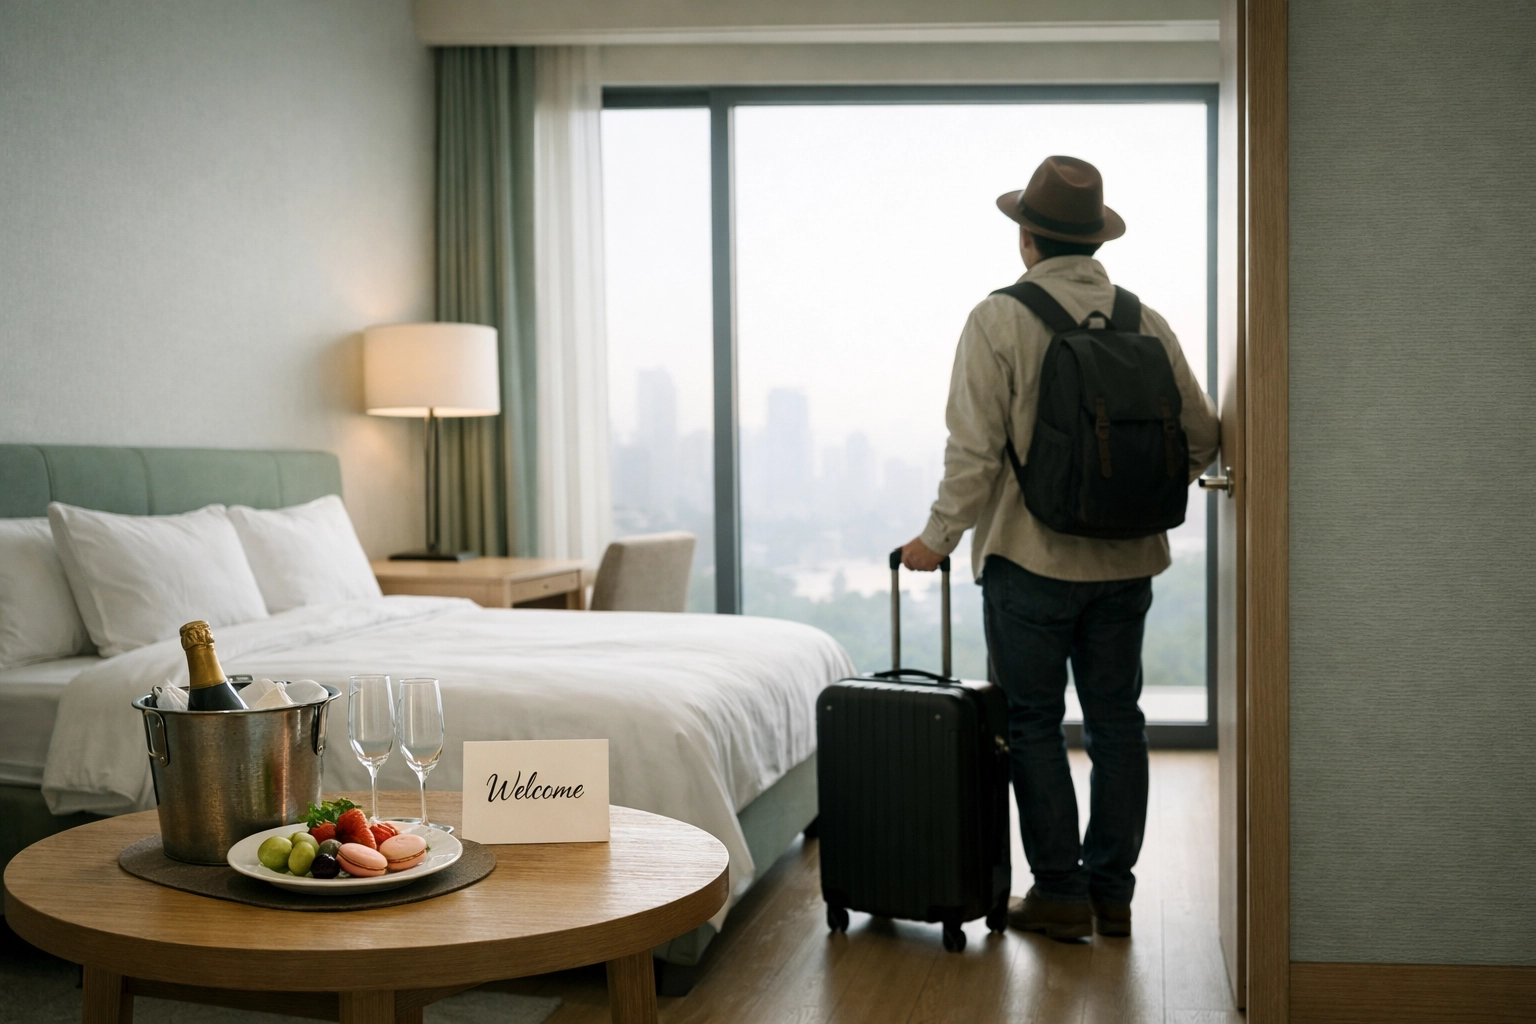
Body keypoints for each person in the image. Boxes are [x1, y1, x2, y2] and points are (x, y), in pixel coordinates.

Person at [900, 155, 1219, 941]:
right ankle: (1114, 893)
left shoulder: (998, 318)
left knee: (1034, 725)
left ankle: (1060, 894)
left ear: (1027, 239)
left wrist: (934, 542)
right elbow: (1204, 436)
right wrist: (1135, 496)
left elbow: (972, 453)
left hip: (1028, 562)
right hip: (1128, 565)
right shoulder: (1146, 318)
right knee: (1119, 723)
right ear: (1097, 240)